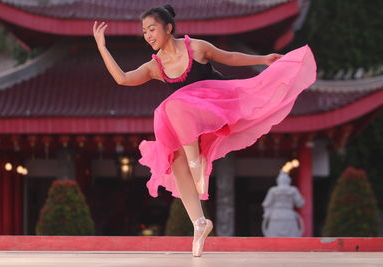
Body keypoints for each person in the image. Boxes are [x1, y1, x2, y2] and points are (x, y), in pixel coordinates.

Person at [93, 4, 316, 257]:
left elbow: (230, 57)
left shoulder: (196, 48)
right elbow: (123, 78)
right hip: (190, 124)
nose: (148, 35)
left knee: (172, 105)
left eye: (152, 28)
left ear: (168, 27)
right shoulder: (155, 66)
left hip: (218, 107)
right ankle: (200, 223)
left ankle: (195, 160)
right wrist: (102, 47)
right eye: (144, 31)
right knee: (173, 159)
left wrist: (263, 59)